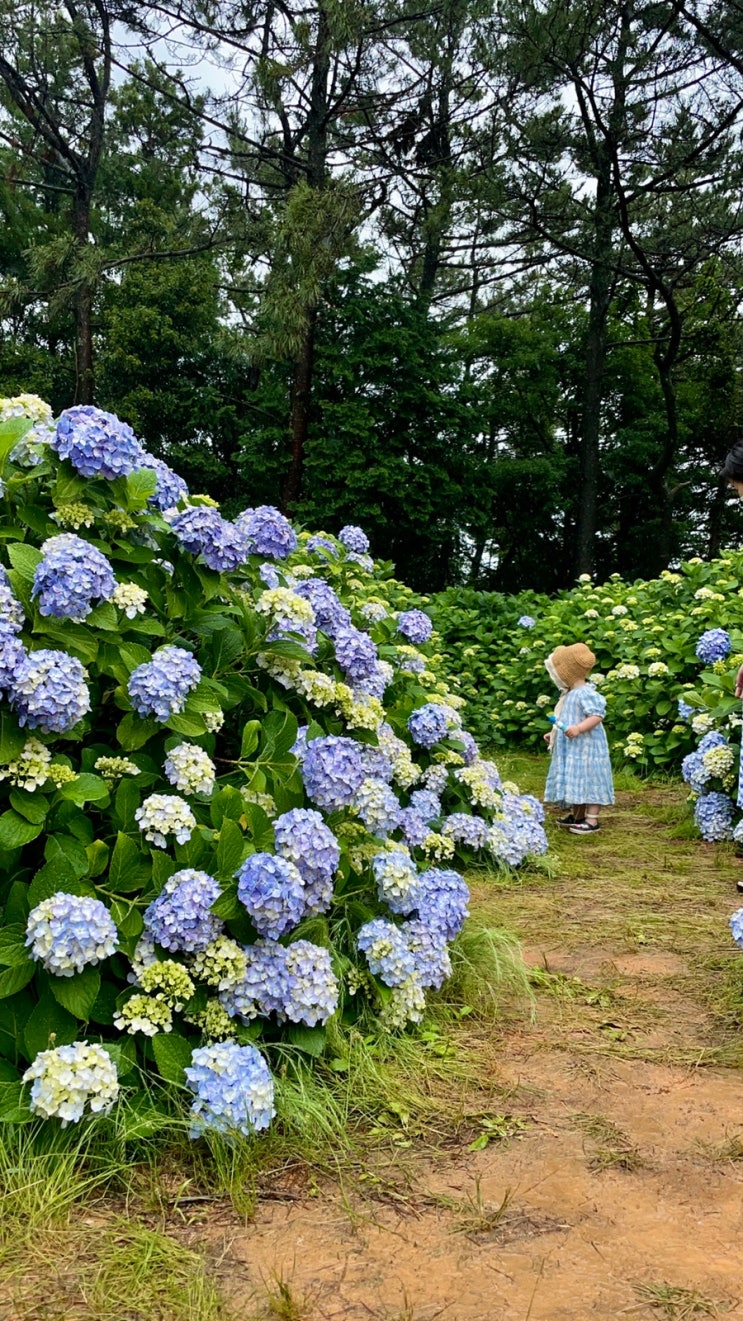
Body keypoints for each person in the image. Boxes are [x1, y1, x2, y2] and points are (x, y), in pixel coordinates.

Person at [543, 643, 614, 834]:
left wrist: (579, 728)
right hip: (575, 747)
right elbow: (567, 719)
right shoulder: (570, 694)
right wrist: (555, 733)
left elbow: (597, 715)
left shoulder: (586, 693)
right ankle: (578, 815)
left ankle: (592, 820)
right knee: (577, 779)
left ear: (568, 672)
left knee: (590, 778)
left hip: (587, 747)